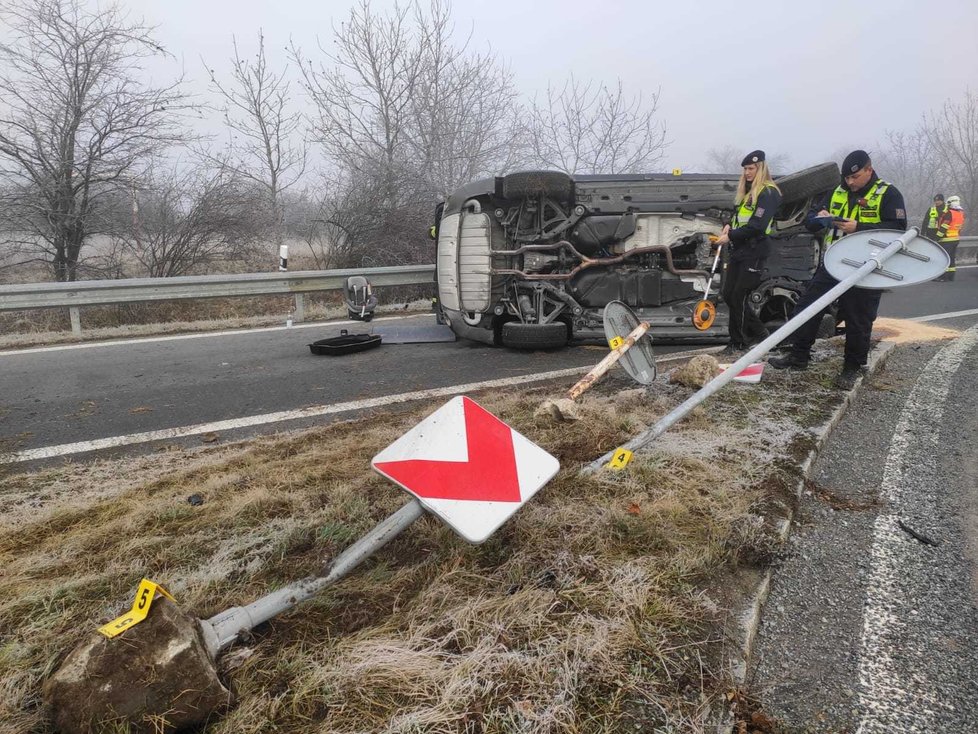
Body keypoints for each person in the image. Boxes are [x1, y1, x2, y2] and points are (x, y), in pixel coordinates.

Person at [769, 150, 907, 389]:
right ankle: (799, 355)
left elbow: (897, 230)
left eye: (854, 178)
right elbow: (810, 220)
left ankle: (852, 368)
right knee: (807, 308)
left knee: (858, 318)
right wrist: (819, 219)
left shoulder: (888, 193)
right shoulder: (837, 191)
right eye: (846, 178)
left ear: (868, 170)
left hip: (866, 268)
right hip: (833, 264)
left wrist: (859, 227)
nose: (850, 183)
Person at [713, 149, 782, 356]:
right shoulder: (749, 192)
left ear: (760, 168)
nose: (747, 172)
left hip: (755, 249)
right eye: (744, 169)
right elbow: (739, 217)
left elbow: (758, 226)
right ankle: (761, 334)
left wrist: (730, 236)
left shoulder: (768, 192)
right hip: (741, 250)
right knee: (728, 294)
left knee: (739, 295)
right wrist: (728, 226)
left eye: (751, 168)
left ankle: (738, 342)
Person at [935, 195, 965, 281]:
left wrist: (937, 237)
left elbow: (944, 226)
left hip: (946, 240)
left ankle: (943, 277)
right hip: (955, 239)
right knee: (951, 258)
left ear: (950, 203)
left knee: (945, 259)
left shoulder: (949, 213)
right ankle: (951, 277)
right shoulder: (960, 213)